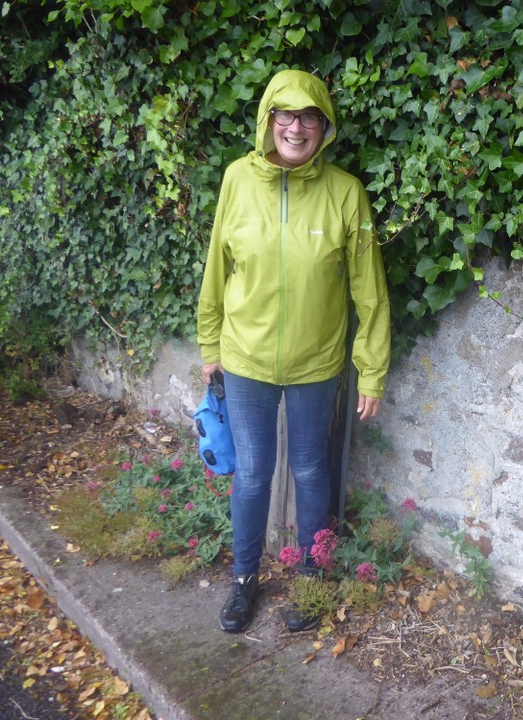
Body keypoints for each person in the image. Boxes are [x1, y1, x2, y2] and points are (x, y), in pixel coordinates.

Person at [196, 69, 391, 634]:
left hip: (316, 363)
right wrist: (211, 344)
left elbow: (369, 290)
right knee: (253, 474)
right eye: (285, 114)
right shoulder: (236, 179)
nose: (296, 126)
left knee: (309, 468)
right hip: (246, 361)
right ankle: (243, 581)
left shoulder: (346, 192)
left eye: (309, 116)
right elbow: (217, 267)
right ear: (267, 121)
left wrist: (371, 372)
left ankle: (311, 576)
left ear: (323, 126)